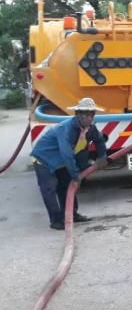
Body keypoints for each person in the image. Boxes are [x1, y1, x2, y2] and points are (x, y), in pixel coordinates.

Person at [31, 97, 108, 230]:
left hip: (60, 160)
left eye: (91, 114)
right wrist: (76, 175)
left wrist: (102, 157)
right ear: (77, 114)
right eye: (86, 115)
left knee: (66, 186)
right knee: (49, 190)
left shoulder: (90, 128)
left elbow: (99, 141)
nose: (89, 118)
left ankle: (72, 214)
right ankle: (56, 221)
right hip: (44, 160)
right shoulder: (66, 129)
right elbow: (67, 154)